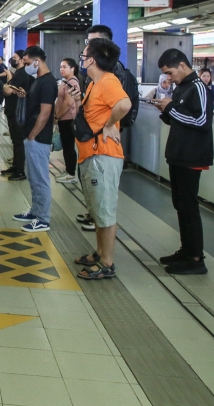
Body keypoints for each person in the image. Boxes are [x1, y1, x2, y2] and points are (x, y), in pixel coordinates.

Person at [71, 38, 132, 279]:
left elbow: (124, 104)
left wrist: (108, 126)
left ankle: (107, 263)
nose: (82, 59)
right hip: (91, 155)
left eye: (84, 55)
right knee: (97, 210)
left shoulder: (108, 81)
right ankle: (99, 252)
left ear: (92, 60)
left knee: (104, 212)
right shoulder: (92, 83)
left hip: (104, 156)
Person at [152, 49, 214, 275]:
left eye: (170, 72)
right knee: (180, 204)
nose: (169, 78)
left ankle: (196, 257)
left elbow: (201, 121)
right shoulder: (181, 88)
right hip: (178, 155)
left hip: (191, 156)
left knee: (189, 206)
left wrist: (171, 108)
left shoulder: (199, 87)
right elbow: (178, 117)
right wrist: (164, 110)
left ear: (182, 65)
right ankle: (187, 250)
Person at [10, 46, 57, 233]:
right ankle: (35, 211)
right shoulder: (38, 80)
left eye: (28, 63)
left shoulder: (47, 82)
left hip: (38, 137)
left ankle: (43, 219)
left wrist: (32, 135)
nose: (26, 66)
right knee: (33, 177)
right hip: (32, 136)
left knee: (40, 179)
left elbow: (45, 113)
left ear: (37, 61)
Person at [1, 51, 31, 181]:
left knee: (18, 141)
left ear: (22, 60)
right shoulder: (17, 74)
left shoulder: (22, 73)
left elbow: (7, 90)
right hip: (11, 111)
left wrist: (7, 85)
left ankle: (20, 170)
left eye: (15, 58)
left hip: (17, 112)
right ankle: (15, 166)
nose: (12, 60)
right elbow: (8, 88)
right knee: (14, 140)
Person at [54, 59, 82, 186]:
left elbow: (68, 102)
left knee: (69, 146)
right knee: (66, 146)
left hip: (68, 119)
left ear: (73, 69)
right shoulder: (66, 82)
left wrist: (57, 116)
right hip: (63, 119)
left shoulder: (72, 83)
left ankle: (71, 174)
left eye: (65, 67)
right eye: (60, 67)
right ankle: (68, 171)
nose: (61, 69)